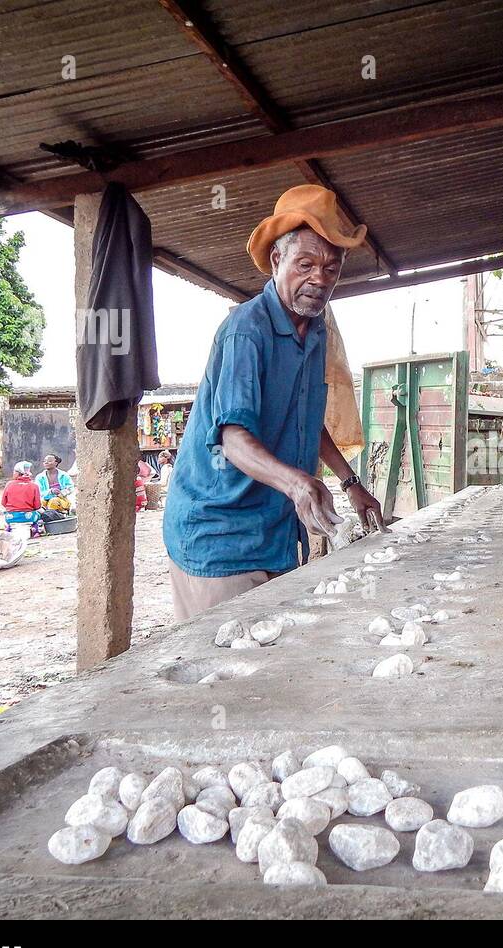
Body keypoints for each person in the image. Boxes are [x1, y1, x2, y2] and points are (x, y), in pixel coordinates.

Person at [163, 184, 387, 621]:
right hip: (220, 535)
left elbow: (304, 419)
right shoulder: (246, 331)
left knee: (271, 669)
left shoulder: (315, 331)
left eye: (332, 267)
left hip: (274, 530)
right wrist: (299, 485)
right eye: (305, 264)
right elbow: (232, 438)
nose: (319, 279)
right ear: (276, 261)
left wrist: (349, 481)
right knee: (227, 671)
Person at [1, 461, 44, 533]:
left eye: (14, 472)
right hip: (28, 517)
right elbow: (37, 506)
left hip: (11, 517)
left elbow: (3, 503)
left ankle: (9, 528)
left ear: (18, 473)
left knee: (7, 518)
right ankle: (35, 530)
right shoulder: (34, 486)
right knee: (39, 515)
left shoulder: (9, 484)